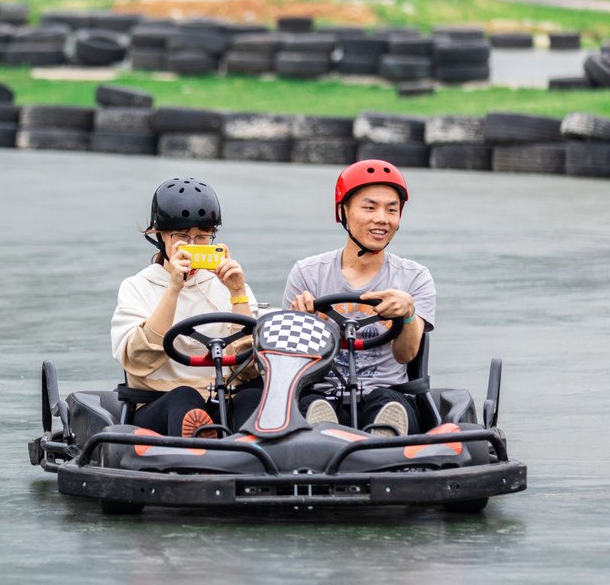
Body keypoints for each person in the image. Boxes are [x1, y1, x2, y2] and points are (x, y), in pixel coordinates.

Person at [283, 159, 435, 436]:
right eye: (369, 207)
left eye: (392, 210)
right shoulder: (307, 274)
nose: (382, 219)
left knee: (384, 403)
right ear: (343, 211)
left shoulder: (415, 277)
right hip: (323, 390)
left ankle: (383, 437)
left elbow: (406, 354)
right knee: (311, 403)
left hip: (388, 392)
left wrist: (408, 312)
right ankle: (321, 433)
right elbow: (292, 366)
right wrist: (302, 324)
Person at [111, 177, 262, 438]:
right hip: (160, 401)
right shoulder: (137, 286)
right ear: (160, 236)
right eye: (182, 237)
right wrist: (174, 289)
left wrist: (237, 293)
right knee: (184, 398)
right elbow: (137, 359)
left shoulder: (228, 284)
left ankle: (256, 458)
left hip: (222, 397)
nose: (192, 247)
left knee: (252, 397)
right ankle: (198, 455)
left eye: (201, 237)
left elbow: (250, 368)